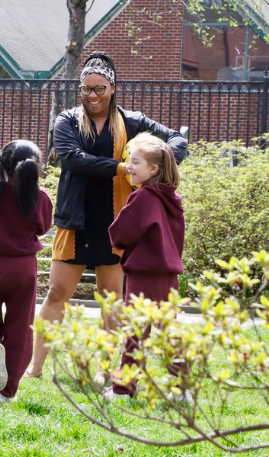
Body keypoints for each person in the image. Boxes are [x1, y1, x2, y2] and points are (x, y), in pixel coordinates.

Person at [25, 51, 188, 381]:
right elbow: (72, 159)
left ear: (113, 87)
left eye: (100, 88)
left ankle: (105, 371)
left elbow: (176, 139)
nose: (93, 95)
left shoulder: (132, 122)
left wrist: (160, 168)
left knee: (112, 299)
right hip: (75, 222)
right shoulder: (67, 121)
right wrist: (121, 167)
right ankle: (35, 367)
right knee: (56, 294)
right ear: (79, 89)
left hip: (117, 224)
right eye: (87, 89)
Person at [103, 132, 189, 401]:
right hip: (168, 276)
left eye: (136, 161)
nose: (130, 166)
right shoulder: (171, 198)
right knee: (168, 331)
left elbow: (120, 233)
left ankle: (123, 388)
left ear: (153, 169)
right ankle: (181, 388)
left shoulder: (142, 198)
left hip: (143, 275)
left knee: (136, 331)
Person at [0, 140, 53, 404]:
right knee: (20, 329)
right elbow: (43, 227)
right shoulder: (40, 199)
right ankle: (5, 393)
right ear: (36, 168)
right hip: (24, 267)